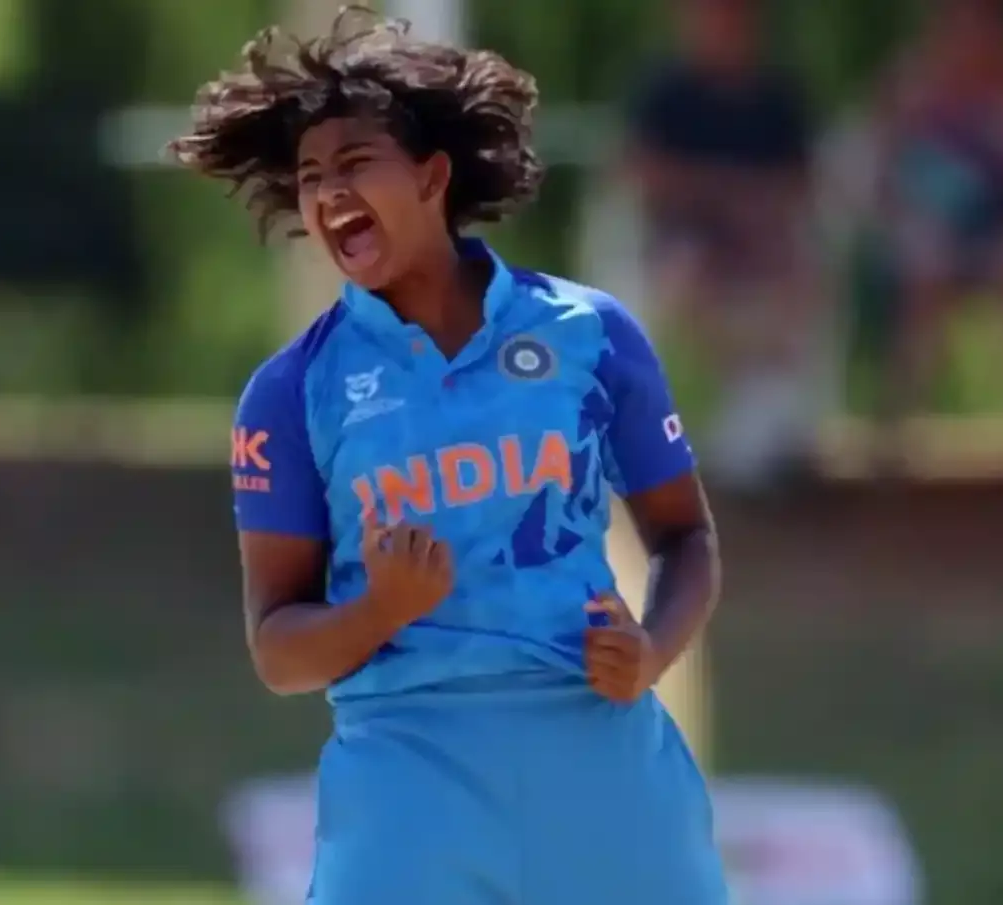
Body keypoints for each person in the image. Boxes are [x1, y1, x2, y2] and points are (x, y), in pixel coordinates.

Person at [171, 9, 726, 905]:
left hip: (600, 756)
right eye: (312, 178)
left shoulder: (589, 333)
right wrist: (380, 609)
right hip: (405, 780)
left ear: (432, 175)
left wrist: (652, 649)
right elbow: (278, 649)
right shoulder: (290, 392)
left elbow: (685, 537)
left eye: (355, 164)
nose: (328, 193)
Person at [623, 0, 826, 490]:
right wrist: (722, 193)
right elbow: (642, 174)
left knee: (803, 283)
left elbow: (800, 184)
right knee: (683, 278)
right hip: (682, 242)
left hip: (763, 247)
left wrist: (753, 213)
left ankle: (774, 434)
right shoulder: (666, 93)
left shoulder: (777, 98)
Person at [872, 0, 1003, 471]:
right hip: (931, 235)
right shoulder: (911, 87)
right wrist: (911, 226)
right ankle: (894, 437)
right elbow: (881, 177)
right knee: (925, 277)